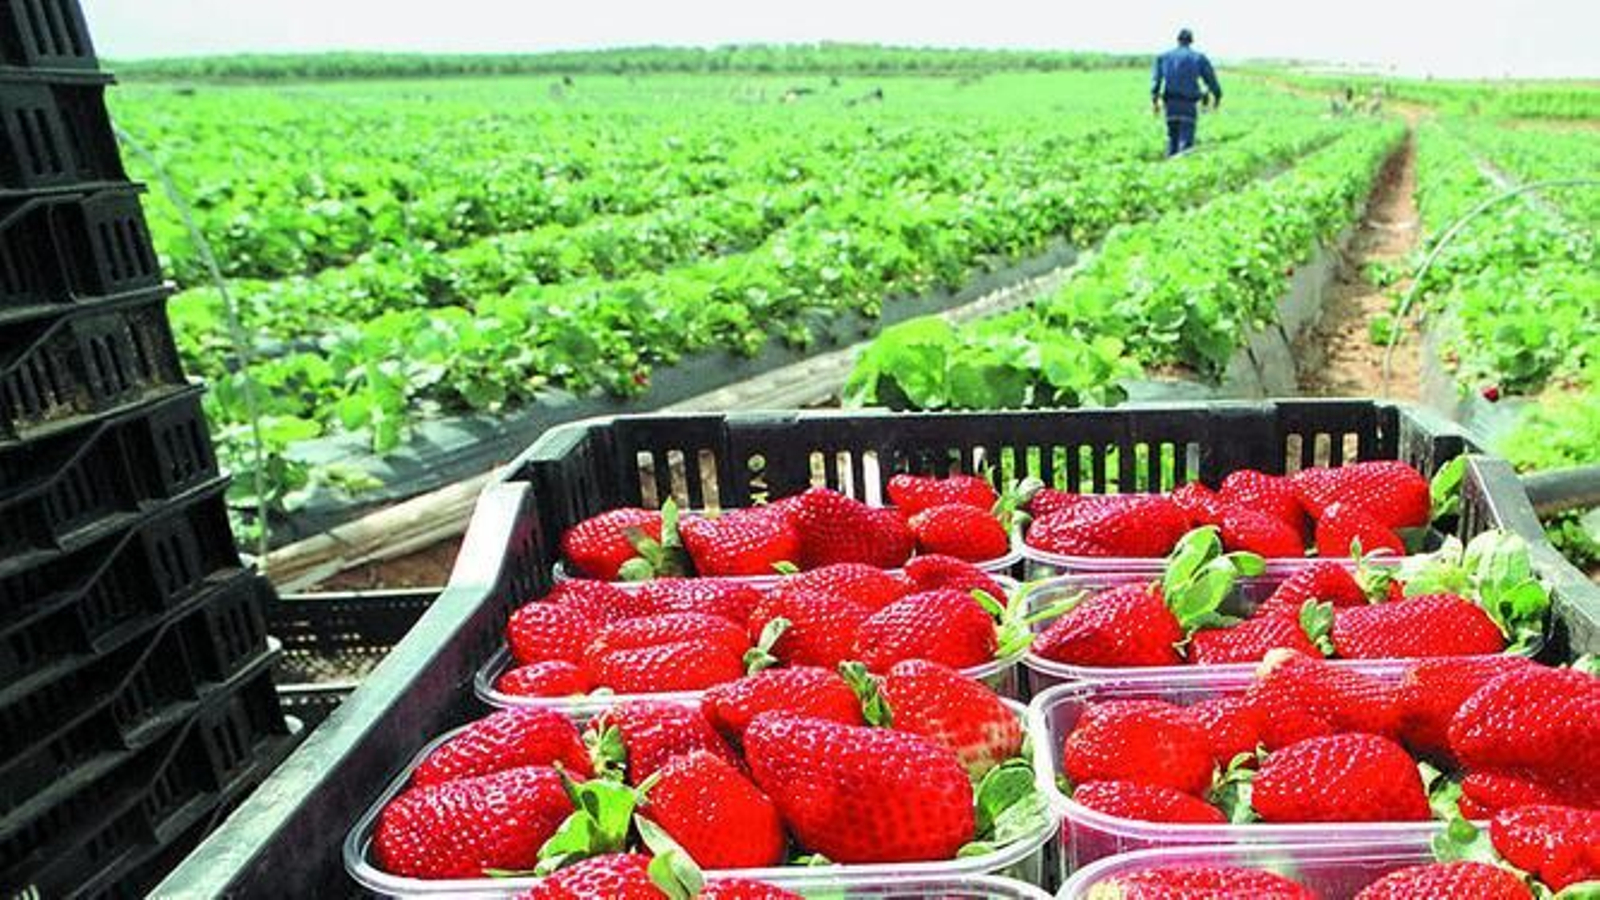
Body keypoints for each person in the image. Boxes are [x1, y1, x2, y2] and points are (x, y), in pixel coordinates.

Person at [1151, 28, 1222, 157]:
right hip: (1188, 105)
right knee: (1186, 143)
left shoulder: (1163, 57)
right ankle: (1180, 169)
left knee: (1172, 140)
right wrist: (1217, 98)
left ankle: (1170, 169)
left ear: (1178, 40)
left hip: (1171, 105)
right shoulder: (1198, 58)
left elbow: (1156, 82)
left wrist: (1155, 101)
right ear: (1191, 41)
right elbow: (1211, 81)